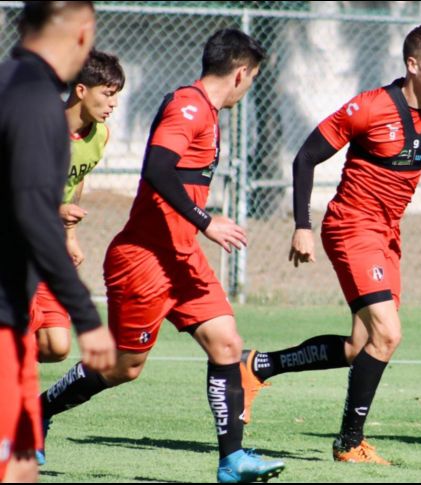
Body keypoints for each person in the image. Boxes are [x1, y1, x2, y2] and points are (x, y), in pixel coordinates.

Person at [38, 29, 285, 483]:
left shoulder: (208, 113)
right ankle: (38, 412)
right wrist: (207, 220)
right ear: (241, 73)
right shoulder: (188, 106)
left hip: (183, 257)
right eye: (251, 80)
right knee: (123, 369)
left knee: (227, 344)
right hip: (144, 260)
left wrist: (197, 229)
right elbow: (156, 168)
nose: (248, 89)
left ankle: (232, 462)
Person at [240, 24, 421, 465]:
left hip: (388, 234)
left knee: (360, 345)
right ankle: (349, 443)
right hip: (351, 227)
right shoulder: (369, 108)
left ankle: (256, 367)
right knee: (388, 335)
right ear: (413, 65)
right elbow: (305, 158)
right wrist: (301, 225)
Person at [0, 1, 116, 482]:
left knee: (22, 465)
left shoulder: (13, 85)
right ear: (84, 33)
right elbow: (30, 213)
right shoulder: (34, 102)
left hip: (13, 300)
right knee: (16, 466)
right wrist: (88, 317)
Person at [30, 49, 125, 364]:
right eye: (108, 94)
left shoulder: (99, 135)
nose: (113, 104)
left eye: (116, 96)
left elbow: (77, 179)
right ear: (81, 91)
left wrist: (69, 235)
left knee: (56, 346)